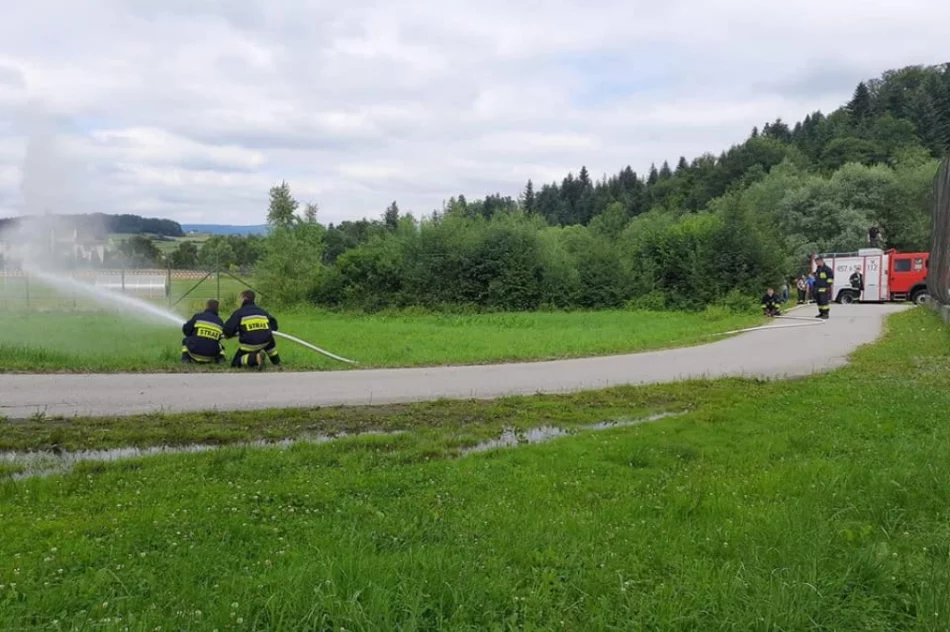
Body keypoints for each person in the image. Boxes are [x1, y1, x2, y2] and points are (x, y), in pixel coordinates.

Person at [223, 290, 282, 369]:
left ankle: (254, 358)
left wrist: (236, 330)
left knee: (236, 362)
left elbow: (228, 330)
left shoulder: (239, 313)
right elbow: (274, 325)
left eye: (240, 298)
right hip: (265, 342)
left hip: (250, 344)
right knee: (269, 340)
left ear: (244, 298)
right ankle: (276, 361)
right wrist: (264, 329)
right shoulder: (262, 311)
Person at [181, 299, 227, 364]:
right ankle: (221, 359)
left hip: (194, 354)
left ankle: (185, 359)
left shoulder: (198, 316)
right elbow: (220, 337)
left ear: (207, 306)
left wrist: (194, 334)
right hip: (210, 357)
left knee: (185, 340)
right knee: (220, 346)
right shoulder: (220, 322)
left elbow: (186, 331)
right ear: (217, 308)